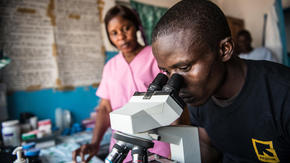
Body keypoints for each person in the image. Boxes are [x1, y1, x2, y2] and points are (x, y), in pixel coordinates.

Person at [151, 0, 290, 162]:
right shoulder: (199, 95)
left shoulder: (283, 95)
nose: (176, 83)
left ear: (225, 49)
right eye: (166, 71)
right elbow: (207, 143)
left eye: (184, 67)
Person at [72, 5, 170, 163]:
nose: (122, 37)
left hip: (157, 145)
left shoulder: (155, 56)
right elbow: (105, 108)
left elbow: (172, 100)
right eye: (114, 33)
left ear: (136, 27)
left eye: (126, 28)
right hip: (120, 148)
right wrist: (95, 143)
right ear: (109, 36)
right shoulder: (110, 66)